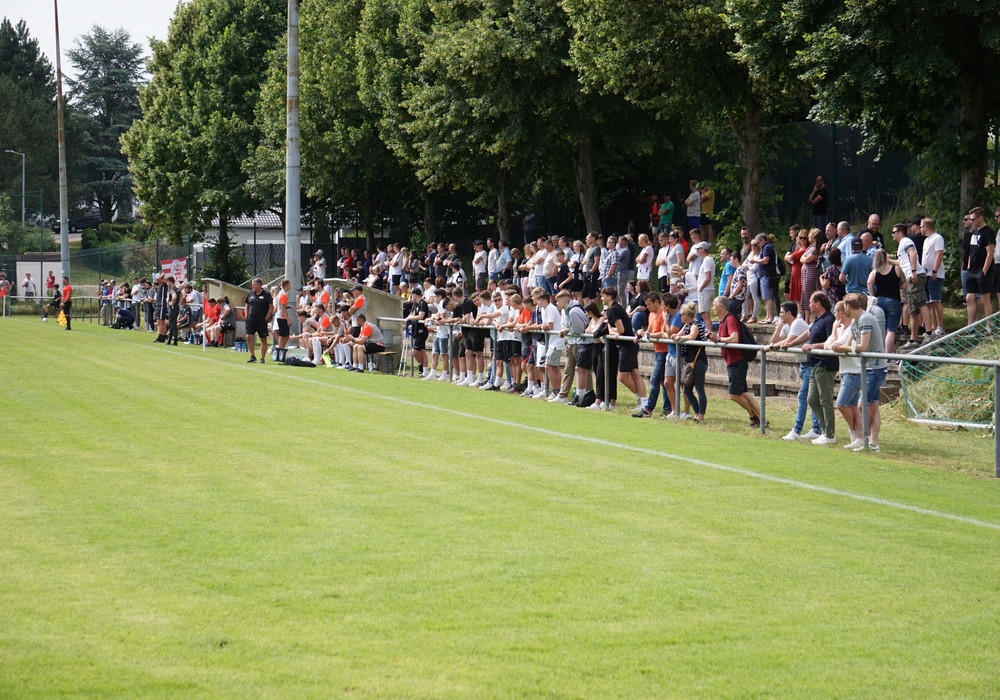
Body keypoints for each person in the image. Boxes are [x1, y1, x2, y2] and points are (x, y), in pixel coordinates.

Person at [768, 301, 822, 441]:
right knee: (810, 397)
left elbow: (787, 341)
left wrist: (772, 347)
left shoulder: (797, 323)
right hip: (804, 364)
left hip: (810, 364)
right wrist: (780, 325)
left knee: (803, 397)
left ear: (788, 313)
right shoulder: (787, 325)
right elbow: (774, 340)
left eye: (781, 312)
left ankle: (797, 430)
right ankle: (816, 429)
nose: (779, 315)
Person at [710, 295, 762, 427]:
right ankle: (761, 419)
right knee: (744, 392)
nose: (712, 308)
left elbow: (734, 338)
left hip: (737, 361)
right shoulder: (723, 321)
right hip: (733, 361)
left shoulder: (730, 319)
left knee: (733, 394)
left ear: (720, 307)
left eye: (714, 305)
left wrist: (718, 339)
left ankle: (753, 415)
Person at [803, 292, 838, 445]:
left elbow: (832, 341)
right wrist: (788, 343)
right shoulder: (817, 320)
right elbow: (808, 334)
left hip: (825, 364)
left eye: (811, 302)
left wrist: (813, 346)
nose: (809, 305)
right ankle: (825, 430)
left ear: (818, 304)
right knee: (812, 399)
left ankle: (829, 434)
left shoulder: (829, 319)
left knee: (825, 399)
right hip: (814, 364)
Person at [892, 223, 930, 349]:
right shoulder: (902, 244)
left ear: (900, 232)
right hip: (911, 276)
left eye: (893, 232)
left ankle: (929, 333)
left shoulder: (905, 241)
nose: (892, 235)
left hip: (915, 275)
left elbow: (912, 253)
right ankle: (913, 339)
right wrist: (887, 260)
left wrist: (913, 272)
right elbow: (901, 262)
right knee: (913, 309)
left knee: (921, 303)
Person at [670, 300, 708, 421]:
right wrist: (675, 336)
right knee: (686, 390)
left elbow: (691, 337)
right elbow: (678, 334)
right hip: (689, 361)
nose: (680, 317)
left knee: (699, 389)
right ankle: (697, 412)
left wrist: (680, 337)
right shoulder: (686, 325)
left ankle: (701, 414)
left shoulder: (695, 325)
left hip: (698, 361)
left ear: (687, 315)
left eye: (681, 315)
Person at [962, 206, 994, 326]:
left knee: (985, 299)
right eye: (970, 219)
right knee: (969, 298)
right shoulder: (974, 232)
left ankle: (988, 326)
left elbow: (990, 253)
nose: (971, 222)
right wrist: (969, 266)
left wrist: (984, 270)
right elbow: (972, 251)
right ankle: (970, 326)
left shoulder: (988, 232)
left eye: (973, 219)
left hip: (982, 270)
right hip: (972, 270)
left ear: (980, 218)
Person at [867, 248, 902, 352]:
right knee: (891, 330)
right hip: (893, 300)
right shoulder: (896, 269)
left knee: (880, 328)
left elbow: (869, 283)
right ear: (886, 257)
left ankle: (880, 352)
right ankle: (888, 354)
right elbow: (904, 284)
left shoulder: (875, 272)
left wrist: (872, 296)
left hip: (879, 301)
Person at [920, 217, 946, 337]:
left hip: (934, 274)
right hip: (926, 274)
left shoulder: (937, 238)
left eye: (921, 226)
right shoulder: (926, 240)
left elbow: (939, 254)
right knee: (930, 302)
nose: (920, 229)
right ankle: (934, 327)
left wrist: (934, 271)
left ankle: (940, 326)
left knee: (936, 301)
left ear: (926, 227)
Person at [243, 277, 274, 364]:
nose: (252, 286)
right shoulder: (250, 294)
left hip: (261, 321)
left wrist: (266, 318)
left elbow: (271, 307)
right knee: (248, 336)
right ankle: (252, 356)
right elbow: (247, 305)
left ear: (259, 285)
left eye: (254, 284)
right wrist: (246, 316)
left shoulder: (266, 295)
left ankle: (262, 358)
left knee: (263, 339)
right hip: (251, 320)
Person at [271, 279, 293, 362]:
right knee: (282, 335)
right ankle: (280, 352)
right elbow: (283, 309)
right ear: (286, 285)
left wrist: (288, 307)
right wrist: (288, 320)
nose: (290, 286)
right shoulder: (283, 295)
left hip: (281, 316)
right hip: (282, 317)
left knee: (286, 335)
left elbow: (282, 306)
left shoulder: (282, 293)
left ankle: (281, 350)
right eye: (289, 284)